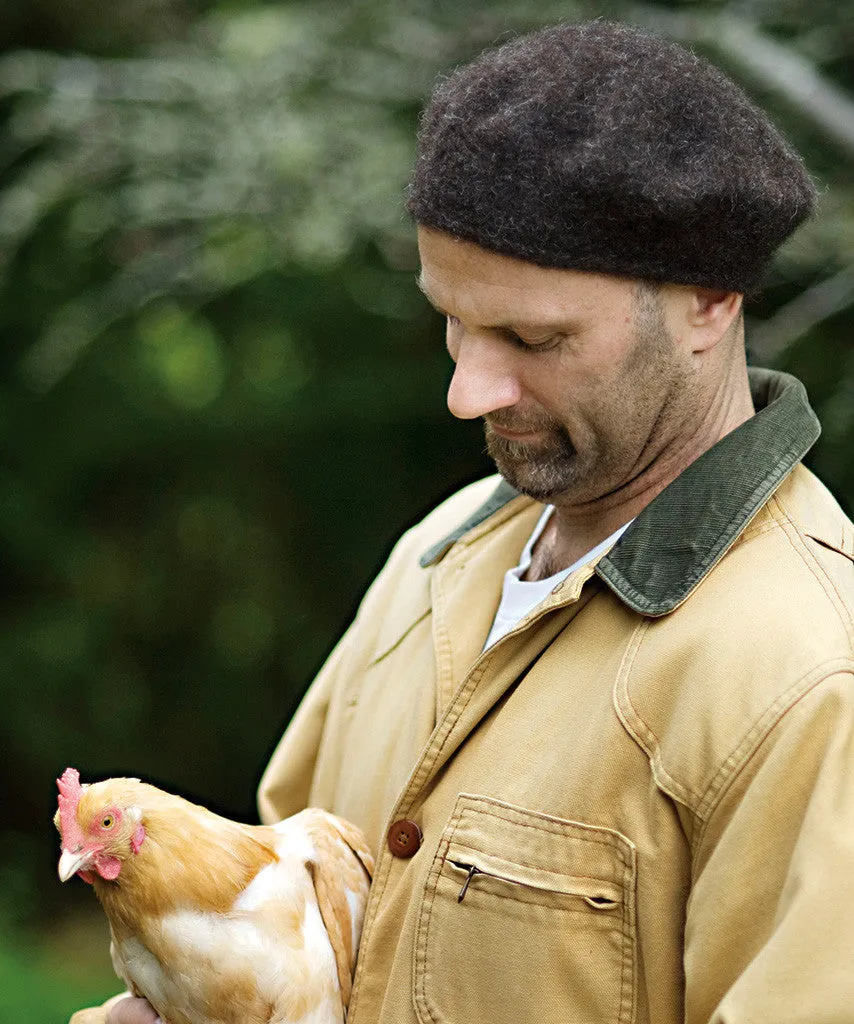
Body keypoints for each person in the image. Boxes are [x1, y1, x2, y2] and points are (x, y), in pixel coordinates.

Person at [85, 20, 854, 1024]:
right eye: (451, 317)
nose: (466, 388)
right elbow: (278, 936)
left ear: (707, 299)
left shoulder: (808, 676)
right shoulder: (436, 555)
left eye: (531, 336)